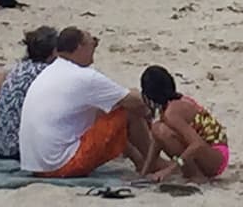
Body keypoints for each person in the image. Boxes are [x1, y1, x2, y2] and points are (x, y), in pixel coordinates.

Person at [19, 27, 152, 177]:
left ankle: (139, 160)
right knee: (127, 111)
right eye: (93, 43)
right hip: (61, 165)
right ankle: (153, 161)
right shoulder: (85, 77)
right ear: (79, 47)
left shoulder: (51, 71)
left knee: (108, 108)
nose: (95, 47)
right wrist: (149, 112)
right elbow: (135, 102)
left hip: (37, 166)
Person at [139, 65, 231, 183]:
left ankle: (195, 176)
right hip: (213, 151)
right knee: (158, 129)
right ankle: (193, 172)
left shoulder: (172, 113)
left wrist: (169, 170)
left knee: (162, 131)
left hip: (216, 156)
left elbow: (197, 144)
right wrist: (144, 172)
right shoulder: (172, 104)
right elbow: (157, 142)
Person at [0, 26, 60, 160]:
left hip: (3, 146)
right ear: (54, 52)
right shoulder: (45, 73)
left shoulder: (20, 68)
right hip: (19, 149)